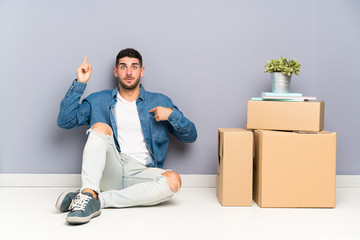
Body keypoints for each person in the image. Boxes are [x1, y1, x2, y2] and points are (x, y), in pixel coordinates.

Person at [56, 48, 197, 224]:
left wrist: (172, 115)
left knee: (173, 181)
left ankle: (92, 198)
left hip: (142, 173)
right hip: (111, 169)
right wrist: (80, 83)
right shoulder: (98, 100)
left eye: (134, 67)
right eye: (123, 67)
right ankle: (89, 193)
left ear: (142, 71)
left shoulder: (160, 101)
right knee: (100, 126)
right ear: (116, 71)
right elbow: (64, 121)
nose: (129, 72)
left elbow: (190, 136)